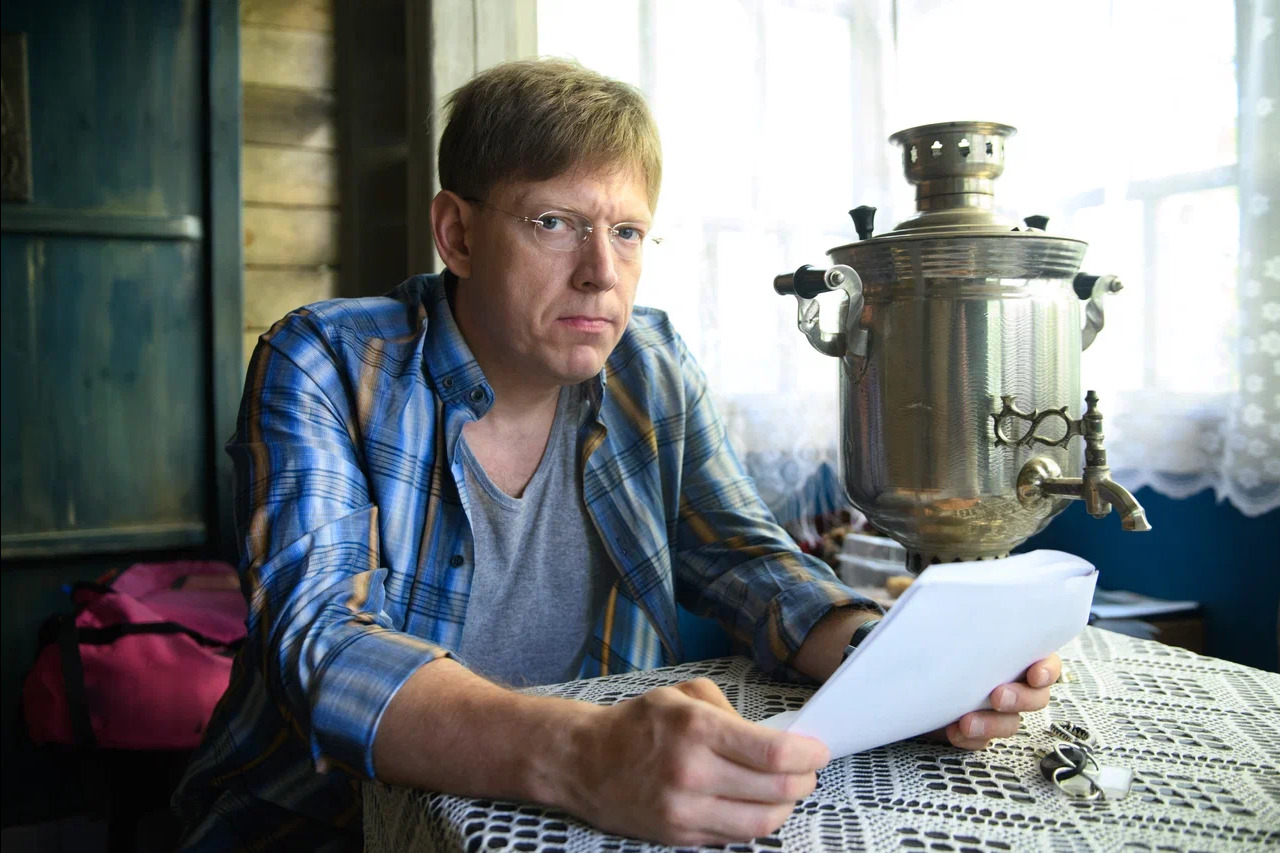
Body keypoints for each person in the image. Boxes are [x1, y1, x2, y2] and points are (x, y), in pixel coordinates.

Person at [172, 58, 1061, 849]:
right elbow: (322, 647)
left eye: (628, 232)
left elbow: (747, 560)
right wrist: (587, 753)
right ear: (458, 234)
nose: (602, 271)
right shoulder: (326, 362)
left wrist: (891, 661)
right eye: (555, 222)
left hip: (555, 825)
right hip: (310, 823)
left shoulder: (650, 362)